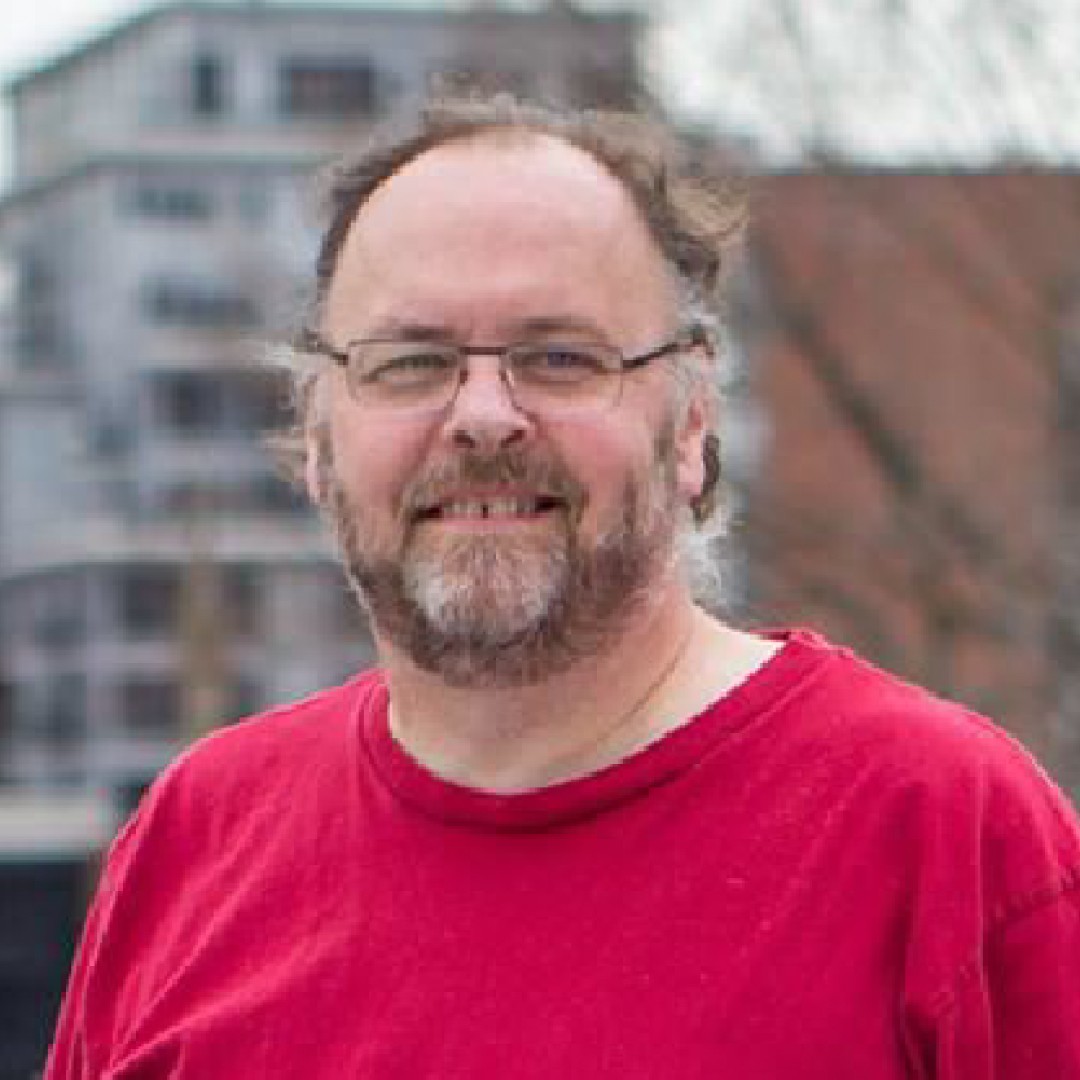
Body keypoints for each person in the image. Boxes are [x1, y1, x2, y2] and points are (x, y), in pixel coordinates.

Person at [46, 95, 1080, 1079]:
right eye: (411, 362)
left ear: (689, 426)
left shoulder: (942, 831)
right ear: (318, 439)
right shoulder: (194, 843)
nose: (484, 415)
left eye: (559, 356)